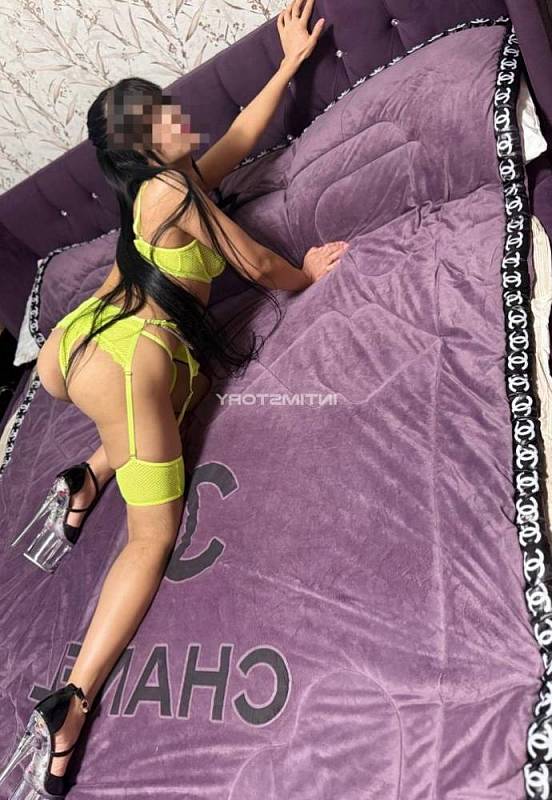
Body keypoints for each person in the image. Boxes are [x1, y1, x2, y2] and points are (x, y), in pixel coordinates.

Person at [0, 1, 349, 797]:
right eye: (164, 114)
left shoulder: (156, 188)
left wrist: (289, 66)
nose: (180, 116)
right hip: (126, 363)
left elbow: (238, 141)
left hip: (76, 344)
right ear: (144, 142)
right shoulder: (174, 192)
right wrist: (308, 275)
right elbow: (255, 264)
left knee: (183, 388)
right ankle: (70, 703)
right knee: (151, 538)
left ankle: (88, 476)